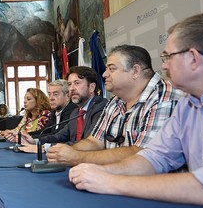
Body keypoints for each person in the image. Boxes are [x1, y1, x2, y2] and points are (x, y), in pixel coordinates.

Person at [69, 13, 203, 207]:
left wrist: (112, 182)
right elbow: (155, 157)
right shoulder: (188, 103)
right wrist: (103, 172)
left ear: (193, 58)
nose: (164, 66)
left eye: (168, 56)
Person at [47, 44, 182, 166]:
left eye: (111, 69)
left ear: (135, 71)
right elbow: (95, 141)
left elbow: (143, 154)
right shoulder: (116, 101)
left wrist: (77, 157)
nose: (104, 74)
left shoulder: (163, 97)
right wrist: (64, 152)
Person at [19, 67, 108, 152]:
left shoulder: (100, 108)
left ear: (91, 87)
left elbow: (88, 144)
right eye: (69, 84)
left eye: (77, 83)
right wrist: (35, 141)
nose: (72, 88)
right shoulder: (76, 112)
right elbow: (59, 136)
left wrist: (46, 147)